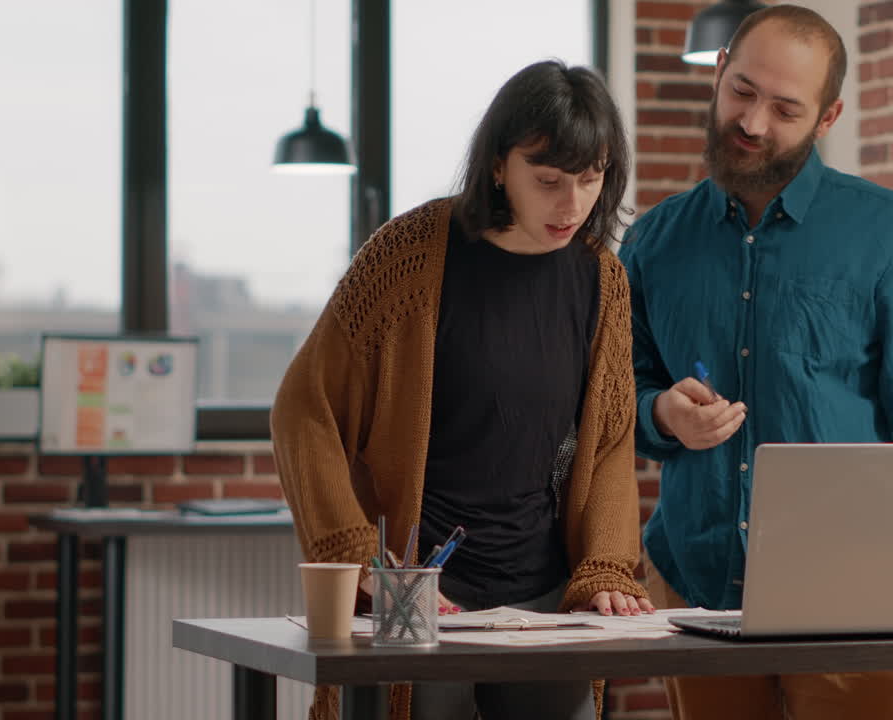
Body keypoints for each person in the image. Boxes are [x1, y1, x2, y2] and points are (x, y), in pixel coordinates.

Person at [619, 5, 893, 719]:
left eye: (785, 109)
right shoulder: (653, 240)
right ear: (719, 71)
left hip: (856, 589)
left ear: (828, 117)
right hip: (693, 577)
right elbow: (610, 398)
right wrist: (658, 413)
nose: (753, 123)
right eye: (743, 91)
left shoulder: (887, 229)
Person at [272, 59, 654, 720]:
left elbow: (610, 443)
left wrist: (607, 568)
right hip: (421, 599)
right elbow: (303, 408)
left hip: (545, 599)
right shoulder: (408, 257)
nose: (572, 206)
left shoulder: (602, 281)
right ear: (499, 166)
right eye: (549, 181)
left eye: (590, 181)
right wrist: (357, 554)